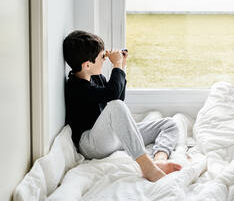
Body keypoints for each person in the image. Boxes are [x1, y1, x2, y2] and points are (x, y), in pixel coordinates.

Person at [63, 30, 182, 182]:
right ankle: (147, 166)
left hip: (110, 137)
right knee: (116, 106)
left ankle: (160, 160)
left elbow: (118, 96)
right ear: (87, 65)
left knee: (169, 124)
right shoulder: (76, 88)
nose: (104, 60)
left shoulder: (96, 77)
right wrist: (117, 65)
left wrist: (122, 66)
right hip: (91, 144)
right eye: (101, 57)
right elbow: (114, 100)